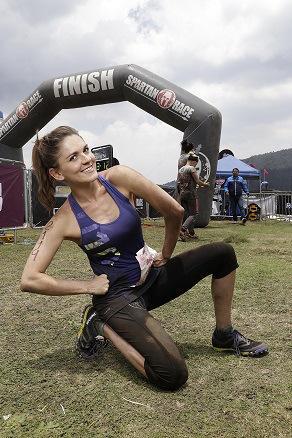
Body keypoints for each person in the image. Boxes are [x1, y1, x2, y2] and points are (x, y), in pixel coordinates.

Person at [21, 126, 268, 392]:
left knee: (223, 254)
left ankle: (224, 334)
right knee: (171, 374)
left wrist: (165, 253)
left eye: (86, 150)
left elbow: (174, 210)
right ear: (57, 173)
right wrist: (87, 286)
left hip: (153, 277)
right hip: (118, 298)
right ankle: (102, 325)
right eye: (73, 157)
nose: (86, 159)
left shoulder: (119, 177)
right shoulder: (64, 219)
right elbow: (30, 278)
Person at [177, 152, 209, 241]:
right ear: (194, 161)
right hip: (191, 193)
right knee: (193, 214)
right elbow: (198, 181)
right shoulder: (191, 168)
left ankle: (190, 233)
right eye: (196, 163)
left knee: (187, 215)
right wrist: (205, 184)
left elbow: (179, 183)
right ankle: (182, 229)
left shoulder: (181, 169)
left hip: (182, 193)